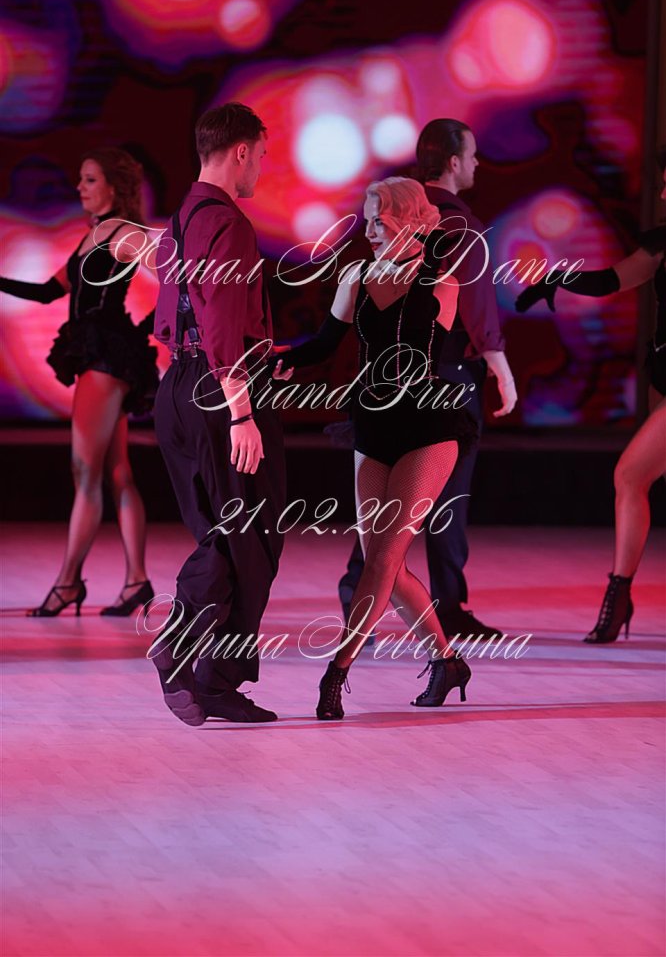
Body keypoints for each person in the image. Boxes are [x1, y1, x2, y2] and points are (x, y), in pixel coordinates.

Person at [273, 177, 478, 719]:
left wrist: (422, 252)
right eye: (366, 220)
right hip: (372, 425)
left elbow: (424, 337)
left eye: (379, 220)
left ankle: (336, 671)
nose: (368, 230)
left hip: (428, 426)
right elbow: (323, 344)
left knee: (384, 557)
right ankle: (446, 660)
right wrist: (279, 358)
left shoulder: (442, 281)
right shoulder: (356, 275)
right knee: (380, 560)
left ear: (410, 219)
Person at [338, 119, 516, 643]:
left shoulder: (390, 209)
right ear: (455, 162)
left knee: (382, 500)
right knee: (447, 496)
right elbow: (476, 305)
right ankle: (447, 607)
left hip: (384, 375)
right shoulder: (459, 224)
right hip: (446, 370)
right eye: (473, 155)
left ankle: (359, 595)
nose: (477, 164)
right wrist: (501, 368)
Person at [150, 103, 291, 726]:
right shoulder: (228, 223)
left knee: (224, 535)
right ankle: (189, 654)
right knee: (252, 536)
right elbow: (219, 322)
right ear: (239, 151)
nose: (261, 165)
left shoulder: (179, 219)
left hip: (179, 388)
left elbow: (179, 315)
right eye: (260, 154)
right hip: (218, 392)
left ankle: (210, 678)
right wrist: (240, 410)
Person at [515, 150, 666, 643]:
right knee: (634, 478)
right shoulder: (662, 244)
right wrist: (558, 278)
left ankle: (618, 596)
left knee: (629, 475)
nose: (664, 194)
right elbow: (612, 280)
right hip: (664, 380)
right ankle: (620, 598)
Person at [1, 148, 158, 617]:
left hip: (106, 358)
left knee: (84, 472)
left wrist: (139, 331)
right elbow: (47, 293)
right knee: (116, 473)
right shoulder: (95, 235)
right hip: (100, 354)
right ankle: (137, 581)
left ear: (113, 186)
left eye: (89, 179)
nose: (79, 187)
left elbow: (179, 284)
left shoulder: (127, 234)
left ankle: (69, 582)